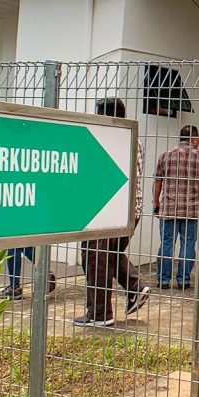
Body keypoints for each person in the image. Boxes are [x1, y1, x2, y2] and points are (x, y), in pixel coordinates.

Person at [74, 97, 150, 328]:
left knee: (94, 256)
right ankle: (135, 286)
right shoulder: (131, 138)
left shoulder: (110, 139)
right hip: (129, 210)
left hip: (110, 210)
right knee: (107, 254)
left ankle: (99, 314)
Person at [153, 125, 199, 290]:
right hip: (192, 210)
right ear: (194, 139)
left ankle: (163, 281)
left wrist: (156, 201)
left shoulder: (165, 156)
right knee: (188, 244)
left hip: (169, 208)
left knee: (166, 243)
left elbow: (158, 181)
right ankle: (183, 280)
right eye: (198, 138)